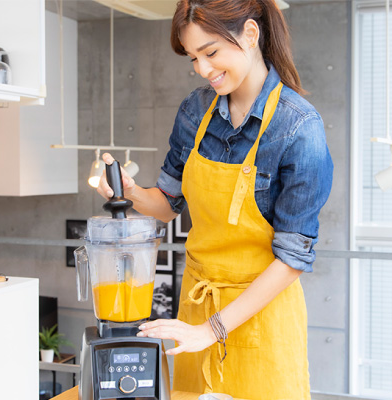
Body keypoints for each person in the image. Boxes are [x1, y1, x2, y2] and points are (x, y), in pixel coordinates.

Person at [96, 0, 333, 399]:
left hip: (261, 319)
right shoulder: (195, 110)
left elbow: (293, 260)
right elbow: (168, 204)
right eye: (193, 58)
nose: (203, 69)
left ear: (251, 35)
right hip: (195, 315)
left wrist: (212, 330)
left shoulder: (298, 128)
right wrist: (131, 192)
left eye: (211, 53)